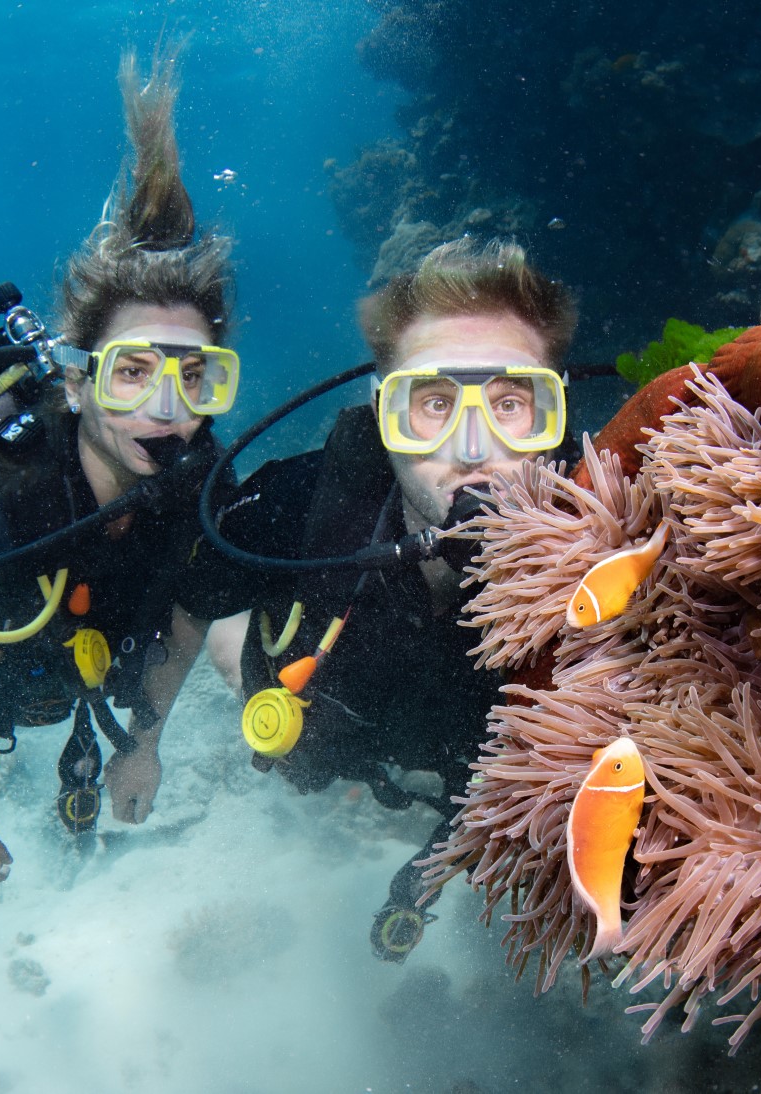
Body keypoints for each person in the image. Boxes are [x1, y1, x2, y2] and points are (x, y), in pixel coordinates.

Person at [0, 46, 247, 883]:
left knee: (99, 671)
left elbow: (190, 617)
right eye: (131, 371)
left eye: (195, 376)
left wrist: (144, 745)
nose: (165, 408)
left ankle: (84, 753)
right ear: (76, 379)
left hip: (89, 649)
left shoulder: (197, 480)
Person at [214, 237, 578, 960]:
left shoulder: (615, 543)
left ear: (556, 419)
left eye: (511, 405)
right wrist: (230, 659)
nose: (474, 448)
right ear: (383, 417)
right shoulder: (294, 502)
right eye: (433, 404)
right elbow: (200, 583)